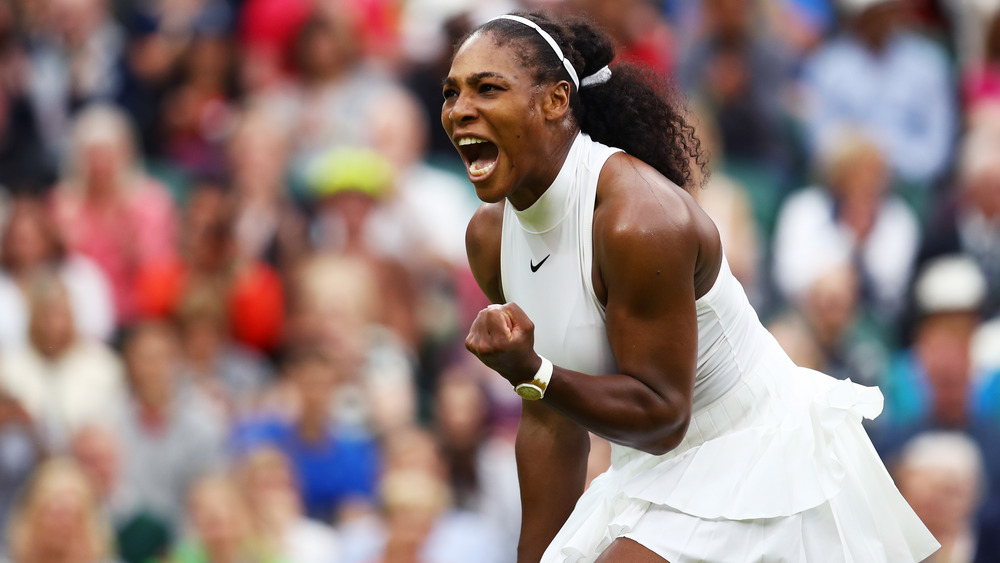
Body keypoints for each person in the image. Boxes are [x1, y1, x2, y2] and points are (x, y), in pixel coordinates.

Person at [447, 10, 939, 563]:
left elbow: (661, 415)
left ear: (556, 100)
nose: (461, 109)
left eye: (487, 89)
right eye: (451, 93)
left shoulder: (639, 218)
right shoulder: (489, 239)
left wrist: (535, 371)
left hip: (756, 460)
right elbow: (549, 423)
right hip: (649, 469)